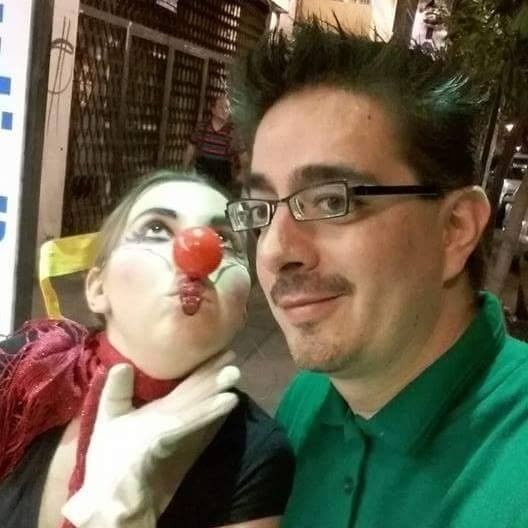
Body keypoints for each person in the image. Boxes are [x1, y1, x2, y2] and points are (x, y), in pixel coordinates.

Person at [225, 20, 528, 528]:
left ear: (455, 229)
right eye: (260, 209)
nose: (275, 251)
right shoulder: (307, 399)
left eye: (330, 201)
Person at [0, 170, 294, 528]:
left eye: (225, 239)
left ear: (243, 307)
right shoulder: (23, 371)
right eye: (156, 229)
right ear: (97, 288)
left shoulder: (257, 453)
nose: (198, 251)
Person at [183, 96, 249, 192]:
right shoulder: (202, 127)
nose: (225, 110)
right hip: (202, 174)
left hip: (222, 176)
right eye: (221, 107)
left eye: (227, 108)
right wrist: (184, 169)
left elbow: (243, 156)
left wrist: (242, 173)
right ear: (213, 110)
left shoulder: (233, 132)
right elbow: (191, 148)